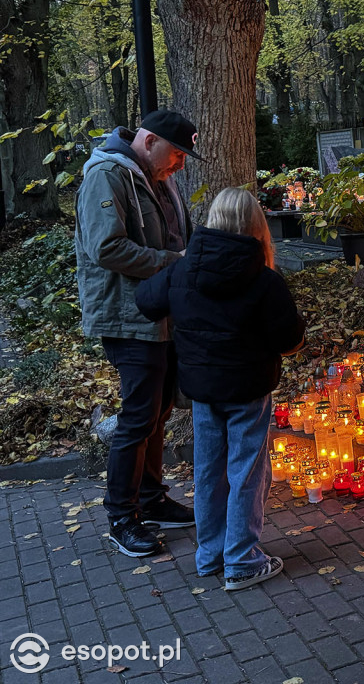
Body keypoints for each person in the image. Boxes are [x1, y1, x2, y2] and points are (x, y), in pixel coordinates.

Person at [136, 188, 305, 590]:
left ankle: (211, 553)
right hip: (248, 389)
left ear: (213, 220)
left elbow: (145, 301)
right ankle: (242, 559)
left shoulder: (183, 270)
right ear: (256, 225)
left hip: (202, 390)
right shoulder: (264, 280)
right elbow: (289, 339)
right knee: (247, 470)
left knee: (210, 469)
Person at [75, 110, 200, 558]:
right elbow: (107, 247)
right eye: (177, 153)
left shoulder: (156, 177)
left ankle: (151, 499)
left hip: (160, 312)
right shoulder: (107, 176)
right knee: (139, 415)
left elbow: (175, 236)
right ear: (149, 141)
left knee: (158, 411)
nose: (180, 164)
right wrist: (176, 265)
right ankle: (122, 518)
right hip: (127, 317)